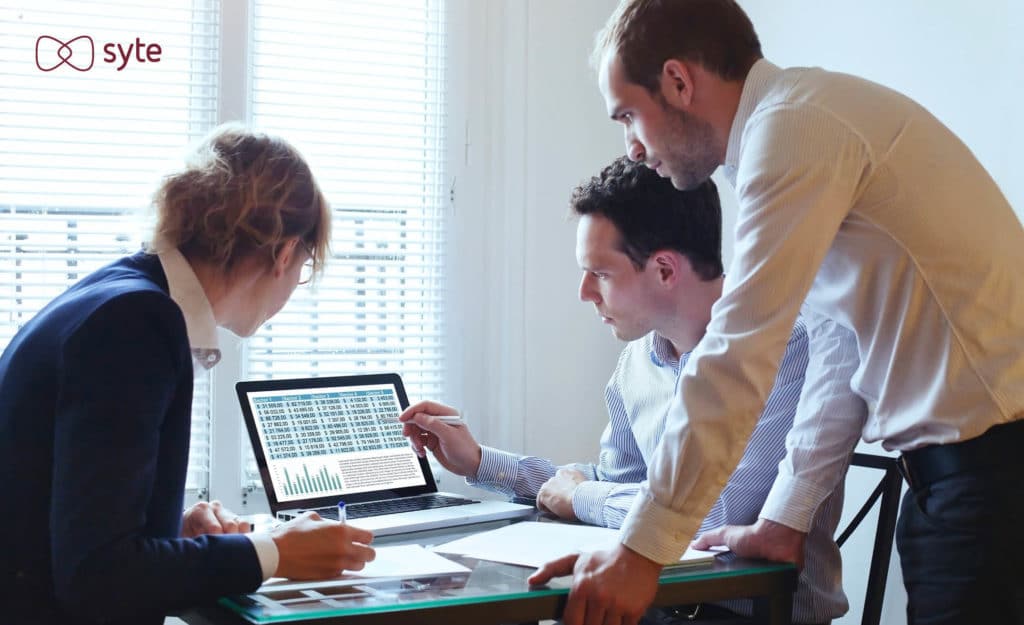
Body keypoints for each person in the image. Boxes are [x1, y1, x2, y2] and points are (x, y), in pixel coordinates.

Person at [529, 2, 1024, 625]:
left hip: (989, 470)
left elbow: (738, 353)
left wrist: (640, 552)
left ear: (680, 83)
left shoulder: (792, 130)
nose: (630, 147)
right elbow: (839, 348)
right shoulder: (797, 127)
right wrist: (785, 520)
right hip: (961, 474)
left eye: (629, 115)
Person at [401, 157, 857, 624]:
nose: (583, 292)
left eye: (599, 273)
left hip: (753, 613)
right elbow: (618, 485)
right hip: (655, 605)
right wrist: (480, 461)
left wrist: (580, 498)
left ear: (663, 270)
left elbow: (711, 519)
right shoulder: (637, 363)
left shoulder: (784, 346)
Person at [0, 125, 376, 625]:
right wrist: (274, 553)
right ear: (285, 253)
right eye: (304, 266)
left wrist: (171, 531)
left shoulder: (116, 293)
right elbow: (98, 577)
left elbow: (67, 516)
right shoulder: (136, 323)